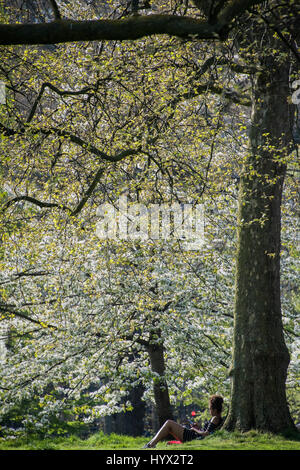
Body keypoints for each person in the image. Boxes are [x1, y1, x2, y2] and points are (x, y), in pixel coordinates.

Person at [143, 394, 224, 448]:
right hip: (195, 436)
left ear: (215, 409)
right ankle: (151, 444)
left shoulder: (215, 418)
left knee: (169, 423)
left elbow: (206, 434)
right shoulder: (218, 419)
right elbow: (207, 431)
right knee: (169, 427)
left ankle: (151, 444)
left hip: (193, 437)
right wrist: (198, 428)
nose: (210, 411)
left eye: (210, 409)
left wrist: (194, 429)